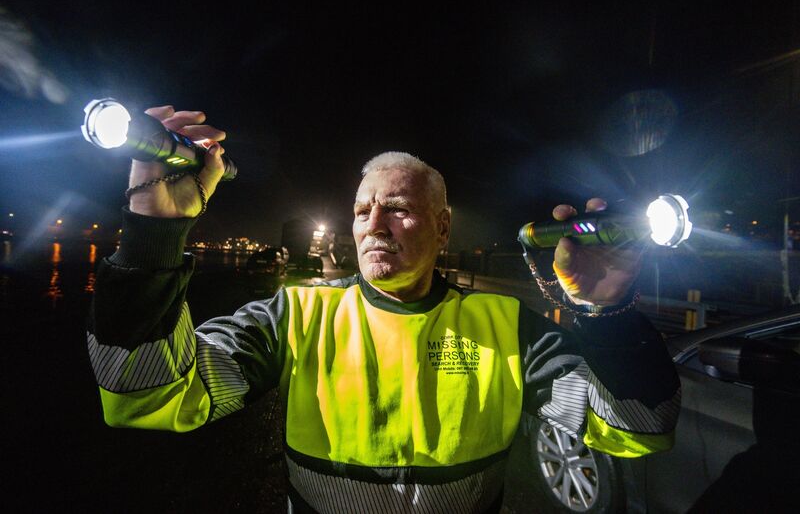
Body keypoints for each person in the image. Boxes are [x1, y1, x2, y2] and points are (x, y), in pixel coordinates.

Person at [87, 105, 681, 513]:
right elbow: (147, 394)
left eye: (396, 207)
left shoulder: (506, 329)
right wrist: (152, 232)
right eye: (361, 209)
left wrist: (608, 312)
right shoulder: (295, 316)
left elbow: (637, 428)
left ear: (443, 228)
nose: (373, 225)